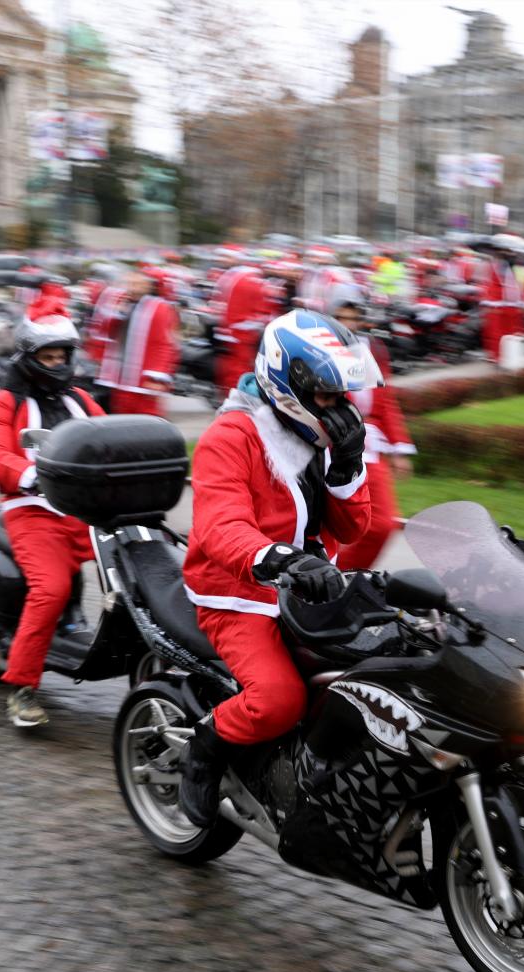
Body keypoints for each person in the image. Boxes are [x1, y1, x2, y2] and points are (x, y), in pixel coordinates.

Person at [178, 309, 374, 827]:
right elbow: (220, 528)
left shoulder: (318, 438)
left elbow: (353, 530)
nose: (340, 409)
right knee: (279, 700)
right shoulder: (231, 437)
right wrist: (278, 558)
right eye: (329, 397)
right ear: (291, 386)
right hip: (239, 593)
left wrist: (349, 469)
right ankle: (206, 746)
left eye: (343, 397)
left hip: (311, 591)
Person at [0, 316, 106, 728]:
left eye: (60, 356)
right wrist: (31, 476)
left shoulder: (81, 399)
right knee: (51, 588)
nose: (55, 363)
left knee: (150, 565)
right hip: (32, 509)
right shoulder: (4, 402)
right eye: (46, 357)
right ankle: (23, 689)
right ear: (29, 359)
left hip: (84, 508)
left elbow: (111, 435)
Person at [330, 293, 414, 571]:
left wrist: (399, 446)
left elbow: (385, 400)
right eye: (342, 317)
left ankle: (342, 576)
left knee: (381, 525)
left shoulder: (371, 350)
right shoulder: (320, 349)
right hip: (331, 445)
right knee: (328, 525)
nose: (349, 323)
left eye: (354, 317)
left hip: (371, 449)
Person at [89, 269, 179, 416]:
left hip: (143, 380)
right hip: (121, 379)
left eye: (138, 283)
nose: (132, 286)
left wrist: (157, 376)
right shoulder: (127, 304)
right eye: (130, 283)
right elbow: (106, 331)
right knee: (120, 418)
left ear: (149, 285)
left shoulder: (159, 307)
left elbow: (164, 343)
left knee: (145, 419)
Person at [214, 258, 275, 395]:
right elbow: (264, 310)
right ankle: (239, 396)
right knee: (240, 369)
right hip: (242, 335)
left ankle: (228, 394)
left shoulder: (233, 276)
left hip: (229, 331)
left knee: (230, 368)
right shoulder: (253, 280)